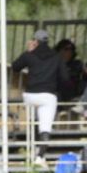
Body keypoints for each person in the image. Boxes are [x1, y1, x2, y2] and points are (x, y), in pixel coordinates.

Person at [12, 29, 64, 161]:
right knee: (45, 128)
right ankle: (40, 157)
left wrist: (28, 51)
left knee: (34, 120)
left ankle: (31, 147)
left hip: (30, 95)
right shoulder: (57, 57)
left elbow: (15, 67)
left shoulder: (30, 55)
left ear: (35, 41)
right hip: (48, 95)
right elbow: (65, 77)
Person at [55, 39, 84, 108]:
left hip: (72, 90)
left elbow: (74, 75)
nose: (68, 52)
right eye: (65, 49)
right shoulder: (54, 64)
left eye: (71, 50)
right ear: (59, 50)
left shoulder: (77, 63)